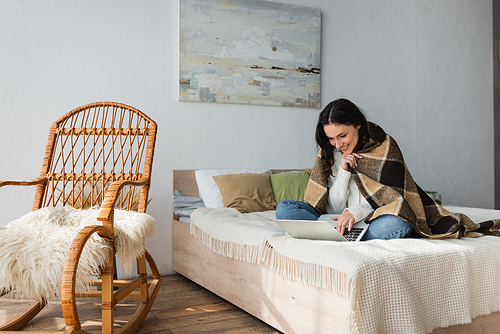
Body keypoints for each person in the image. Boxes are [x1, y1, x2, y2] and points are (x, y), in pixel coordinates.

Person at [275, 98, 414, 240]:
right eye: (331, 138)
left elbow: (393, 202)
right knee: (284, 208)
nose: (337, 144)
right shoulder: (330, 152)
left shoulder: (385, 148)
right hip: (335, 221)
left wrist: (355, 212)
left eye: (342, 136)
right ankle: (342, 236)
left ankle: (331, 236)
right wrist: (344, 172)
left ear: (358, 124)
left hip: (370, 221)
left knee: (401, 222)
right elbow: (332, 210)